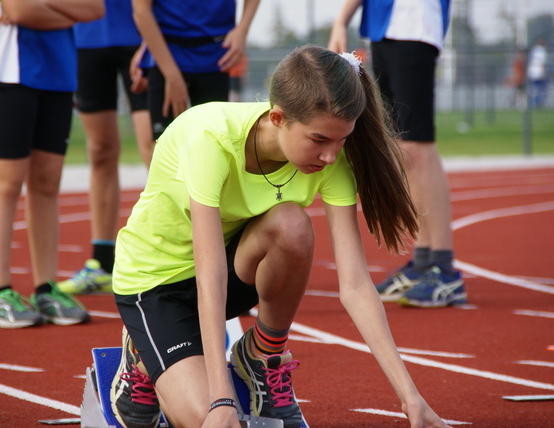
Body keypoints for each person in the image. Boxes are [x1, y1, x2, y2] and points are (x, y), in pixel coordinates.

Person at [109, 45, 451, 428]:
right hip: (157, 284)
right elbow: (210, 275)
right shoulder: (211, 140)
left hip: (228, 270)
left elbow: (355, 284)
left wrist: (411, 398)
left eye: (342, 141)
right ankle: (141, 354)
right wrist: (221, 401)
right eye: (320, 139)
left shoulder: (331, 160)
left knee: (292, 225)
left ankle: (261, 357)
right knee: (205, 418)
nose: (330, 156)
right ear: (278, 117)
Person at [329, 0, 467, 308]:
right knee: (401, 147)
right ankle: (423, 262)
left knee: (417, 144)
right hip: (384, 28)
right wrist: (342, 21)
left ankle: (444, 268)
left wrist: (341, 20)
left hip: (415, 25)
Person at [0, 0, 104, 328]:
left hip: (59, 75)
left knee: (47, 183)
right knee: (7, 181)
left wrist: (42, 4)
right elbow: (19, 11)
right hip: (10, 73)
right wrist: (66, 11)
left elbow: (94, 10)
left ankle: (45, 288)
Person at [58, 0, 154, 295]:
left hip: (140, 36)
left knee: (155, 149)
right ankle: (101, 263)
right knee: (100, 150)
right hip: (87, 38)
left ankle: (164, 260)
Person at [131, 0, 260, 142]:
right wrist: (172, 75)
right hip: (167, 53)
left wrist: (242, 29)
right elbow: (141, 10)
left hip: (215, 55)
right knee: (166, 145)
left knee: (213, 144)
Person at [527, 38, 548, 108]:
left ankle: (532, 104)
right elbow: (542, 63)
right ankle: (538, 104)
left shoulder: (533, 50)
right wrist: (544, 73)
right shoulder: (542, 51)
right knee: (541, 90)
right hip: (539, 73)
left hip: (532, 73)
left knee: (533, 90)